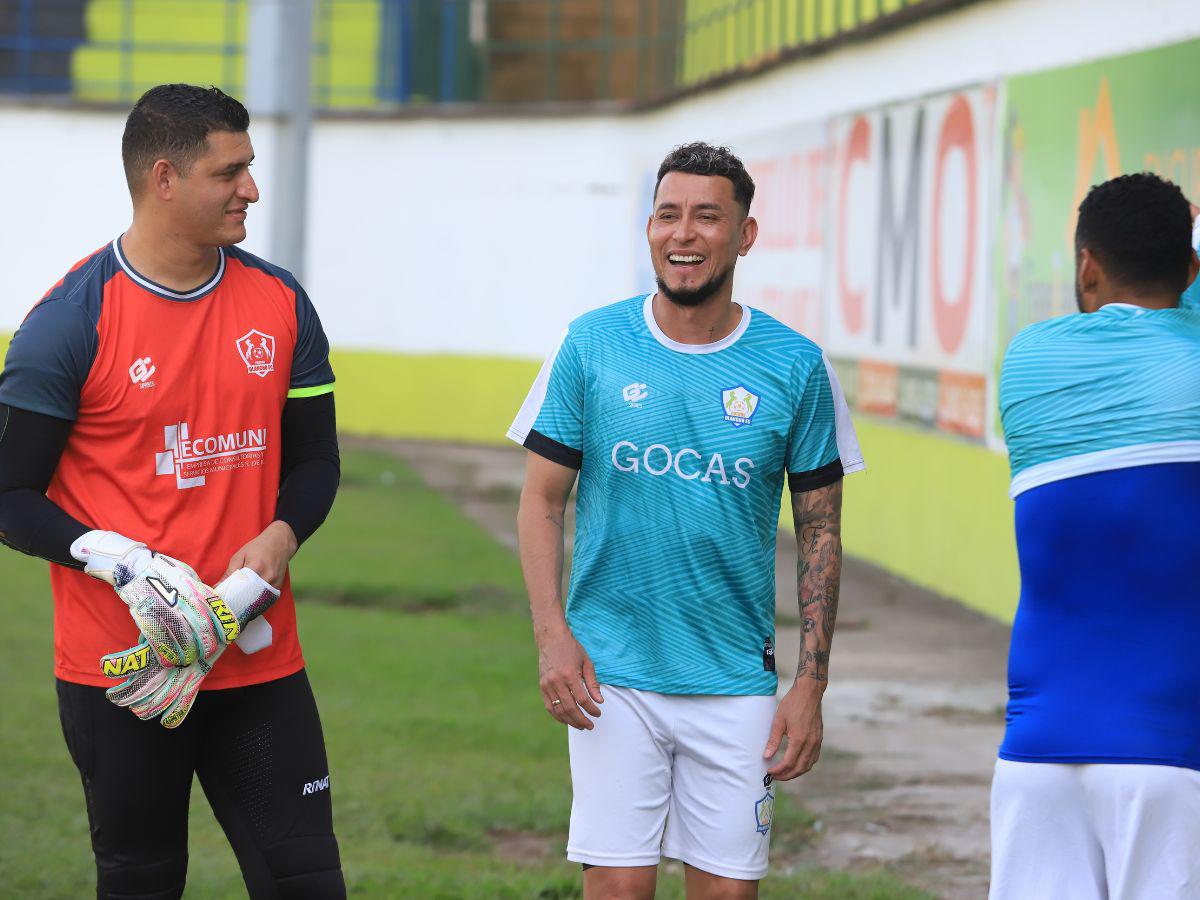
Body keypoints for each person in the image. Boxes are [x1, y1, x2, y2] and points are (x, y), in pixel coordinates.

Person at [0, 84, 345, 898]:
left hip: (257, 662)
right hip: (125, 673)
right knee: (142, 882)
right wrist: (117, 559)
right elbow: (11, 496)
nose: (251, 190)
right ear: (164, 179)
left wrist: (282, 537)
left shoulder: (281, 302)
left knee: (307, 881)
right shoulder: (68, 323)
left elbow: (317, 464)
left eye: (250, 168)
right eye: (231, 172)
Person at [509, 142, 864, 898]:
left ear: (746, 234)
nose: (685, 234)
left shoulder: (796, 366)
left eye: (708, 216)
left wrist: (811, 687)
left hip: (736, 681)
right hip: (613, 673)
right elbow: (541, 499)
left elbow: (822, 532)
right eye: (668, 214)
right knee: (619, 888)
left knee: (728, 892)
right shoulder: (592, 344)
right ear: (649, 228)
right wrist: (553, 640)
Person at [991, 172, 1200, 899]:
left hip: (1037, 753)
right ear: (1190, 265)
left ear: (1086, 265)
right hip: (1173, 751)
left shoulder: (1028, 363)